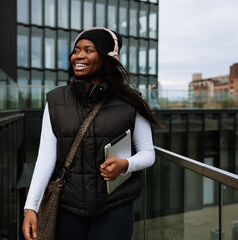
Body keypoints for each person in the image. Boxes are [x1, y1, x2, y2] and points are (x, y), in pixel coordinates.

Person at [22, 27, 160, 240]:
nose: (79, 55)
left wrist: (125, 165)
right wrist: (31, 207)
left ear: (107, 57)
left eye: (88, 50)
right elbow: (46, 158)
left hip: (115, 208)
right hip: (69, 208)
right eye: (76, 50)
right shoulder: (56, 101)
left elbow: (148, 153)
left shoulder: (131, 101)